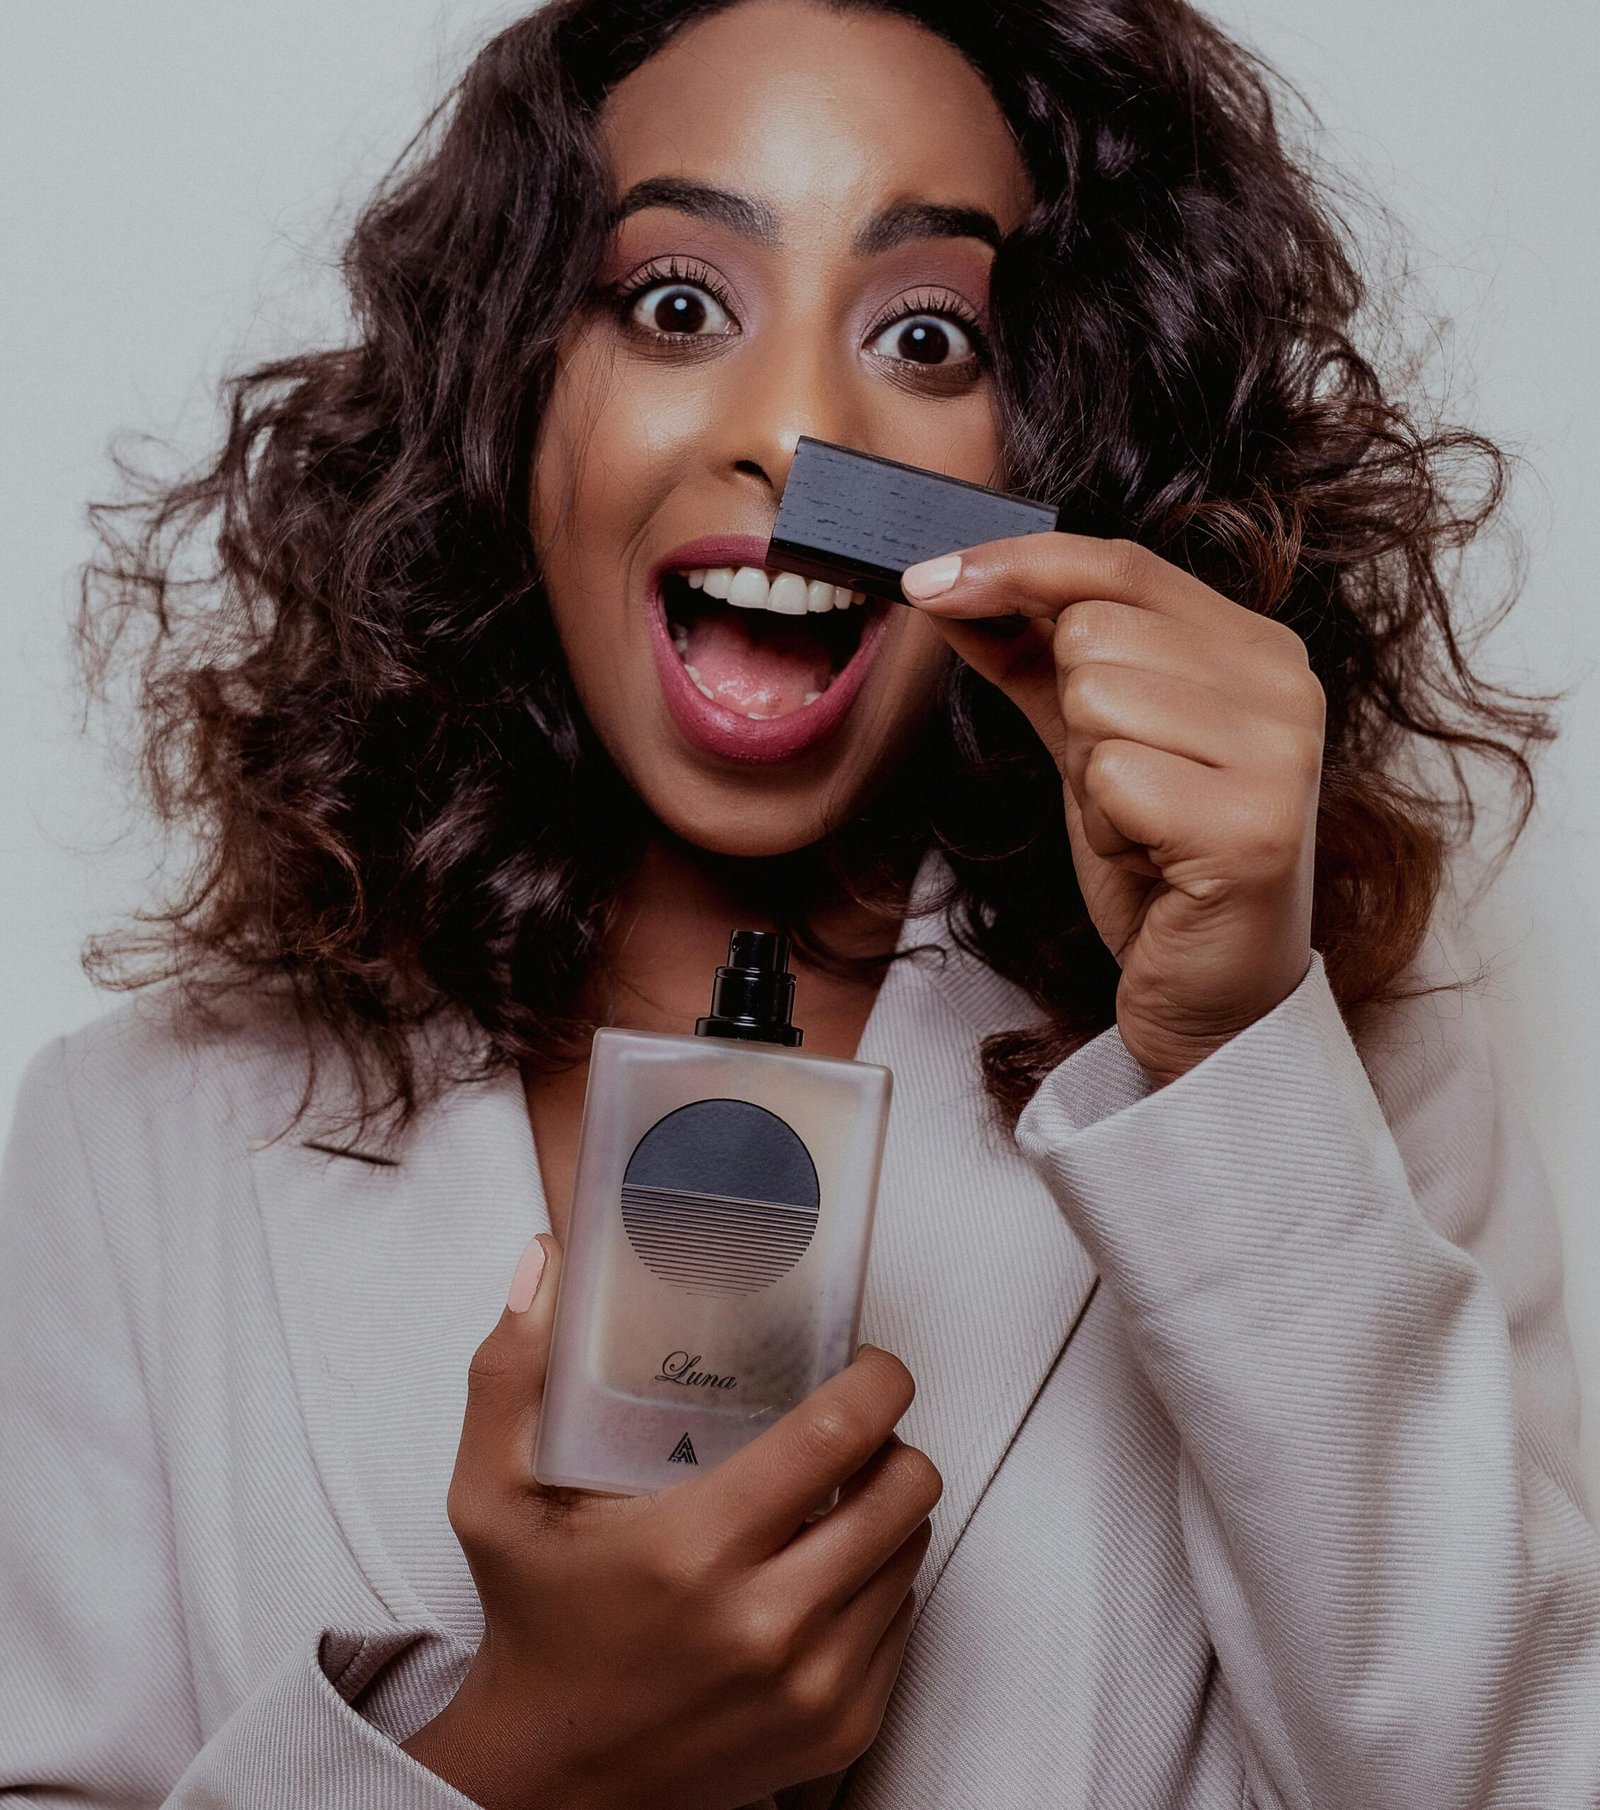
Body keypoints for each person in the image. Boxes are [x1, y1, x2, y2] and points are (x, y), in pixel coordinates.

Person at [2, 0, 1596, 1804]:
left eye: (926, 335)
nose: (793, 432)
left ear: (1052, 447)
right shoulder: (133, 1142)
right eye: (678, 307)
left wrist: (1232, 1065)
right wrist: (516, 1752)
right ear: (511, 395)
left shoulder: (1331, 1061)